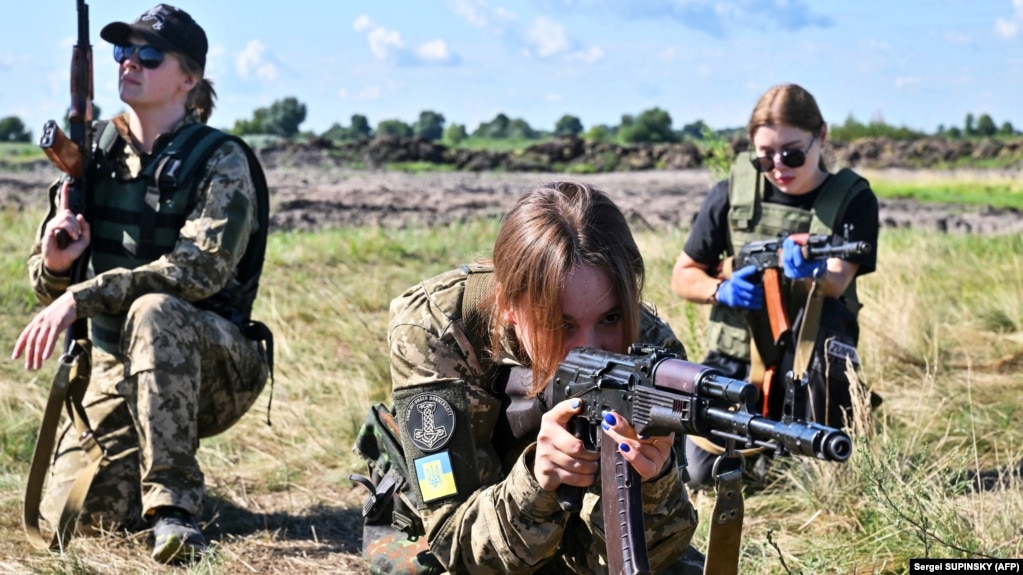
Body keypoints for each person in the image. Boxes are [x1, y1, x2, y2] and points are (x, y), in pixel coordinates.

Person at [12, 4, 272, 564]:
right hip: (116, 364)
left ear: (189, 77)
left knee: (156, 309)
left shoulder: (221, 160)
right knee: (83, 521)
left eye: (149, 54)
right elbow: (45, 286)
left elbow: (195, 273)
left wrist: (80, 298)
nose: (130, 61)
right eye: (121, 51)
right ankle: (147, 479)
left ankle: (176, 510)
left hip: (214, 365)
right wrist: (60, 264)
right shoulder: (93, 153)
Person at [352, 181, 700, 574]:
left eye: (611, 318)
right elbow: (452, 541)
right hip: (458, 532)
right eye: (560, 324)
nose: (591, 348)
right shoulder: (436, 330)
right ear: (507, 306)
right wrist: (537, 480)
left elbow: (631, 558)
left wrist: (654, 485)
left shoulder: (653, 353)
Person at [670, 83, 879, 489]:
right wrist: (720, 290)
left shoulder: (851, 198)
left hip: (808, 366)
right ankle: (762, 455)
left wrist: (809, 273)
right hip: (736, 357)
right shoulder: (732, 194)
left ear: (821, 136)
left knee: (824, 473)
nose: (779, 166)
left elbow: (837, 281)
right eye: (764, 157)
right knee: (701, 473)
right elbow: (684, 274)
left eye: (792, 153)